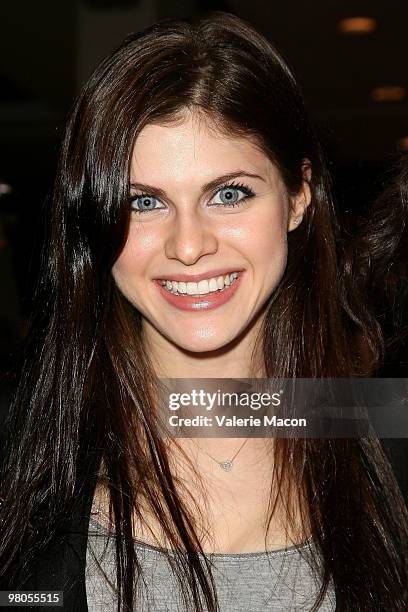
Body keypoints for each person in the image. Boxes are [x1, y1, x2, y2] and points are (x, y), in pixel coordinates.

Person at [0, 11, 407, 612]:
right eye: (143, 201)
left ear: (298, 196)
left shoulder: (389, 435)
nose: (188, 246)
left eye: (229, 193)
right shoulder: (22, 447)